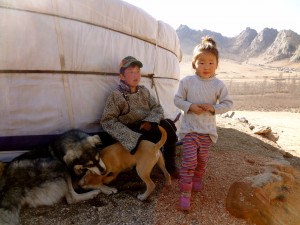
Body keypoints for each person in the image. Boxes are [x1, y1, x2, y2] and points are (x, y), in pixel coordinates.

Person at [174, 37, 233, 211]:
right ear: (194, 63)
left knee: (201, 160)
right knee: (189, 160)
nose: (206, 66)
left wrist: (214, 108)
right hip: (190, 129)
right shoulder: (187, 82)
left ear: (216, 64)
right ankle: (185, 192)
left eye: (210, 62)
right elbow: (177, 100)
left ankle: (198, 178)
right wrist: (190, 106)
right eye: (201, 62)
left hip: (207, 131)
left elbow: (228, 103)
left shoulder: (218, 85)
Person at [100, 56, 179, 178]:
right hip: (131, 132)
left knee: (168, 125)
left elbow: (157, 108)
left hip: (147, 127)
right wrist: (130, 136)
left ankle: (170, 164)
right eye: (131, 72)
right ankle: (137, 166)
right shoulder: (115, 96)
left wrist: (150, 122)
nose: (135, 75)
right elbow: (108, 121)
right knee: (166, 126)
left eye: (138, 71)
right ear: (121, 76)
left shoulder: (144, 91)